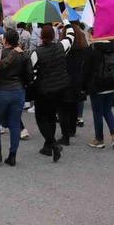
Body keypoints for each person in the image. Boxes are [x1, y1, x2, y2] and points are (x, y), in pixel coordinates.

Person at [30, 23, 76, 162]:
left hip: (44, 90)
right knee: (51, 117)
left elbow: (31, 72)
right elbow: (71, 35)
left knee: (41, 118)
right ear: (55, 35)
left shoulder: (36, 53)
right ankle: (48, 146)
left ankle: (53, 144)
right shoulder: (61, 46)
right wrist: (66, 20)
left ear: (41, 37)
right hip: (61, 88)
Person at [0, 29, 32, 167]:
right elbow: (29, 77)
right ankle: (12, 155)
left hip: (0, 91)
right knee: (14, 123)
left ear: (4, 40)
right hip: (17, 91)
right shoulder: (23, 56)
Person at [85, 39, 114, 149]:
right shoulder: (112, 47)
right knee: (107, 110)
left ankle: (99, 139)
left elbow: (87, 69)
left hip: (97, 86)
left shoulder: (92, 48)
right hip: (111, 83)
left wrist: (84, 87)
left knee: (97, 112)